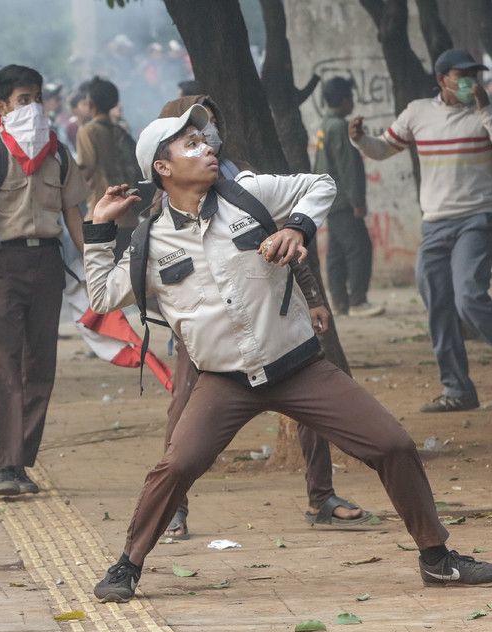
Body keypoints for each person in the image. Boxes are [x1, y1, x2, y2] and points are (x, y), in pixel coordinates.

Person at [82, 105, 492, 602]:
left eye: (206, 140)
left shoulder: (249, 195)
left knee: (392, 444)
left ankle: (437, 560)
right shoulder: (151, 241)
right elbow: (101, 297)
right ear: (163, 168)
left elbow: (321, 183)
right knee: (177, 465)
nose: (208, 149)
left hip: (298, 366)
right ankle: (127, 566)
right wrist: (97, 228)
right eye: (192, 145)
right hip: (223, 381)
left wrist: (297, 228)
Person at [154, 94, 371, 538]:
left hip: (268, 314)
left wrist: (310, 295)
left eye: (211, 127)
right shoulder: (164, 197)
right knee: (184, 409)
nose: (207, 139)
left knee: (309, 396)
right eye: (194, 132)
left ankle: (321, 495)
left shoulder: (242, 180)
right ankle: (173, 507)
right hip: (208, 333)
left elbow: (285, 236)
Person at [349, 49, 492, 412]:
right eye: (462, 74)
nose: (470, 80)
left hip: (477, 217)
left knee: (469, 295)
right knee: (438, 302)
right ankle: (457, 389)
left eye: (475, 74)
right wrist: (360, 139)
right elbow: (383, 149)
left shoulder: (486, 114)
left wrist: (488, 111)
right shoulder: (418, 113)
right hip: (436, 222)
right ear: (442, 80)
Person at [0, 64, 88, 495]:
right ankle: (3, 467)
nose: (33, 108)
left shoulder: (59, 154)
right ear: (2, 107)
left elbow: (73, 217)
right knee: (2, 365)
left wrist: (96, 265)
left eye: (37, 98)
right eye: (23, 100)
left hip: (47, 264)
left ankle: (21, 460)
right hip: (3, 266)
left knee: (40, 367)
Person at [313, 77, 382, 318]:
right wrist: (357, 201)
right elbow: (348, 168)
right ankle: (357, 301)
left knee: (336, 252)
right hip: (342, 200)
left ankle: (340, 303)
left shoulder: (324, 125)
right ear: (343, 101)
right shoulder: (340, 127)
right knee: (359, 248)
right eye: (351, 97)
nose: (353, 102)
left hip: (329, 200)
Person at [76, 76, 140, 258]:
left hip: (102, 215)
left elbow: (86, 170)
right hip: (129, 216)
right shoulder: (120, 131)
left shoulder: (88, 131)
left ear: (90, 103)